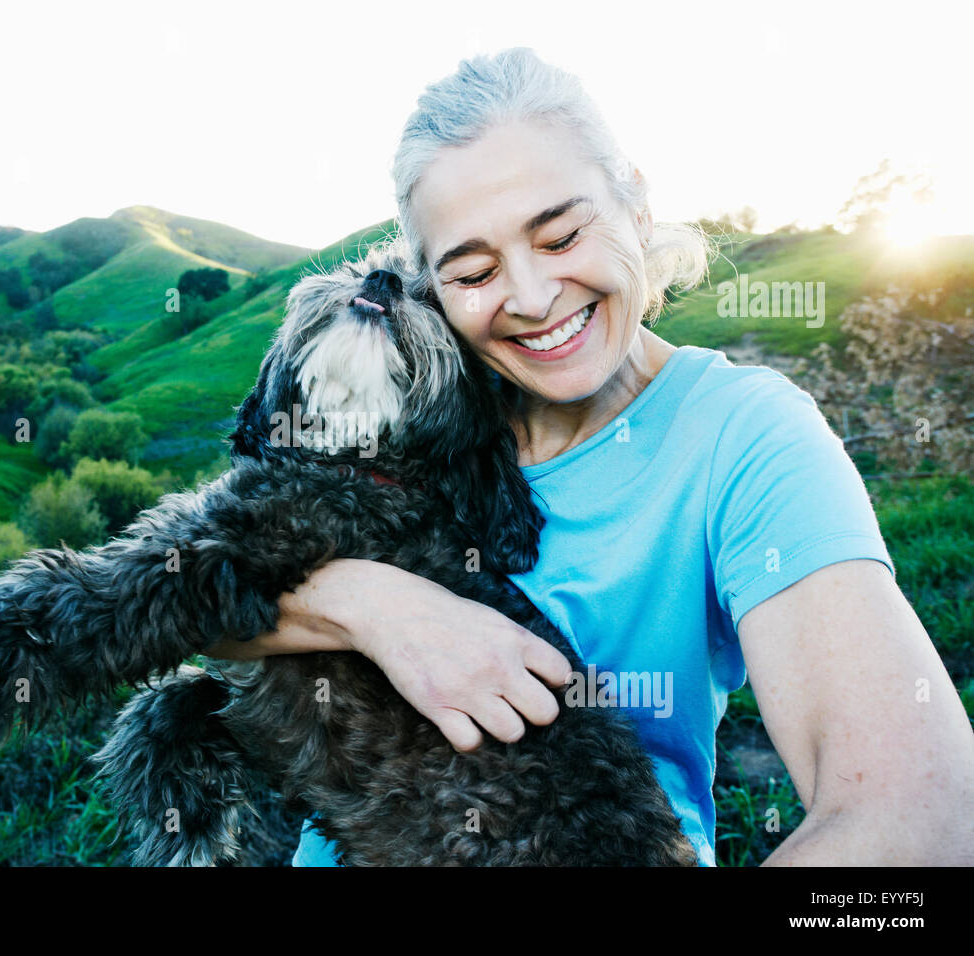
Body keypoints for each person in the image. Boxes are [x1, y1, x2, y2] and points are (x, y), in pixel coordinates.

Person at [205, 48, 974, 866]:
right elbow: (190, 598)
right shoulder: (408, 408)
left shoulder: (743, 437)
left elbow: (923, 812)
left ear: (635, 202)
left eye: (563, 234)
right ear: (427, 286)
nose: (533, 299)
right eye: (473, 271)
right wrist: (382, 609)